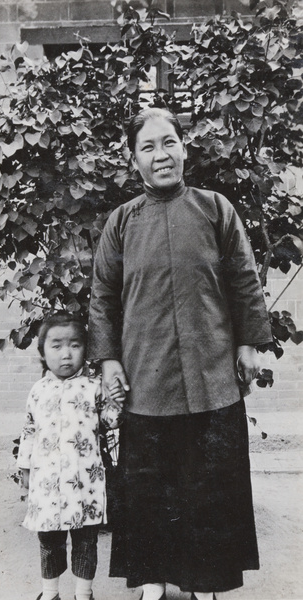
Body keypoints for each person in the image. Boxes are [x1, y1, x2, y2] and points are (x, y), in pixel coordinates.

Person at [87, 107, 273, 600]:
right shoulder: (122, 221)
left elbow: (244, 280)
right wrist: (108, 360)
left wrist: (248, 344)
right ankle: (153, 582)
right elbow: (103, 295)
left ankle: (204, 583)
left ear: (184, 149)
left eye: (168, 142)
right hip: (146, 381)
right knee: (150, 488)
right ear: (135, 161)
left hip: (212, 376)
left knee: (209, 487)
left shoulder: (215, 208)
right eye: (148, 147)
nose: (161, 155)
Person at [17, 312, 124, 600]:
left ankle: (83, 593)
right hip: (47, 485)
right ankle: (50, 593)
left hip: (84, 485)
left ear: (86, 349)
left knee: (85, 543)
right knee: (49, 542)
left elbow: (111, 422)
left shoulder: (93, 387)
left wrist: (116, 401)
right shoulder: (38, 391)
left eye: (75, 345)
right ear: (42, 351)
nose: (66, 354)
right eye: (57, 345)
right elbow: (29, 431)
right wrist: (24, 468)